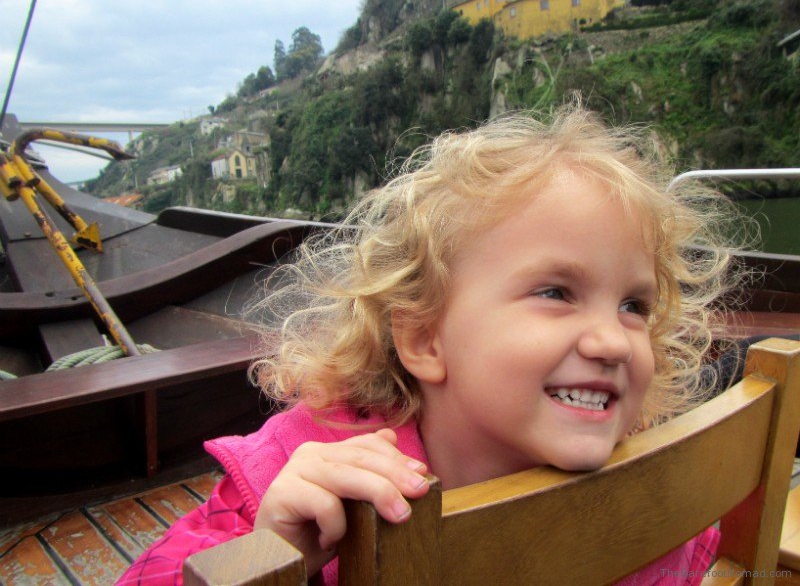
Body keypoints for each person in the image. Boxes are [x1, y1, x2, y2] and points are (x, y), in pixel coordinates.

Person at [118, 104, 744, 585]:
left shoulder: (663, 491)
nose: (612, 340)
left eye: (635, 306)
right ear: (424, 340)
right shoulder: (299, 482)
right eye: (555, 292)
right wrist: (271, 556)